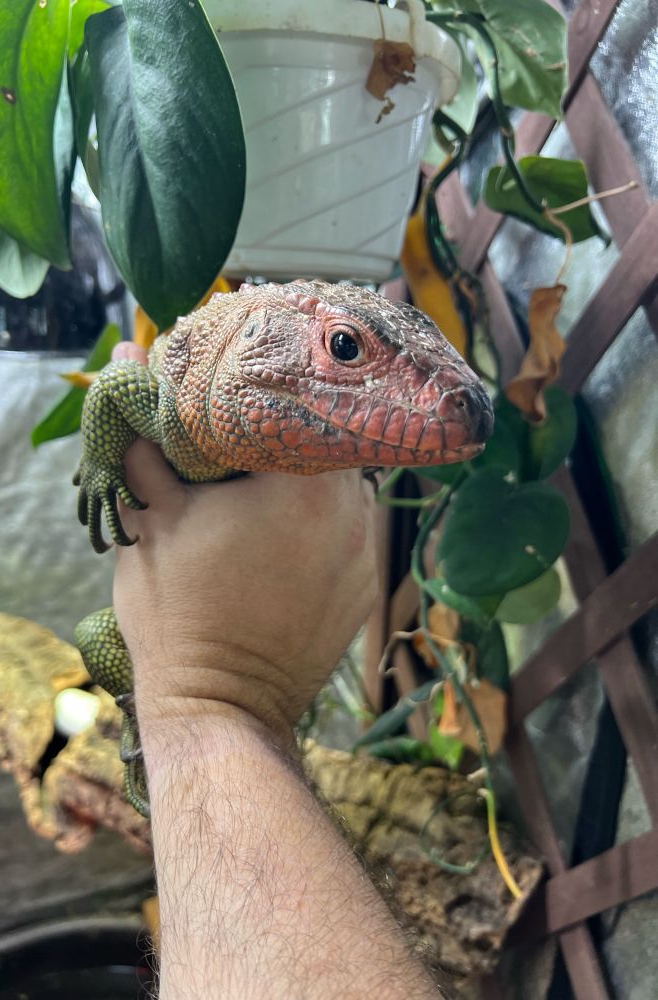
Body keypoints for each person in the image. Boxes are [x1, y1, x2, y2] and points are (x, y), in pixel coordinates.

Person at [111, 342, 441, 999]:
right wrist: (197, 698)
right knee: (99, 636)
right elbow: (113, 391)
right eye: (344, 348)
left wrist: (194, 701)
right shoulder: (185, 406)